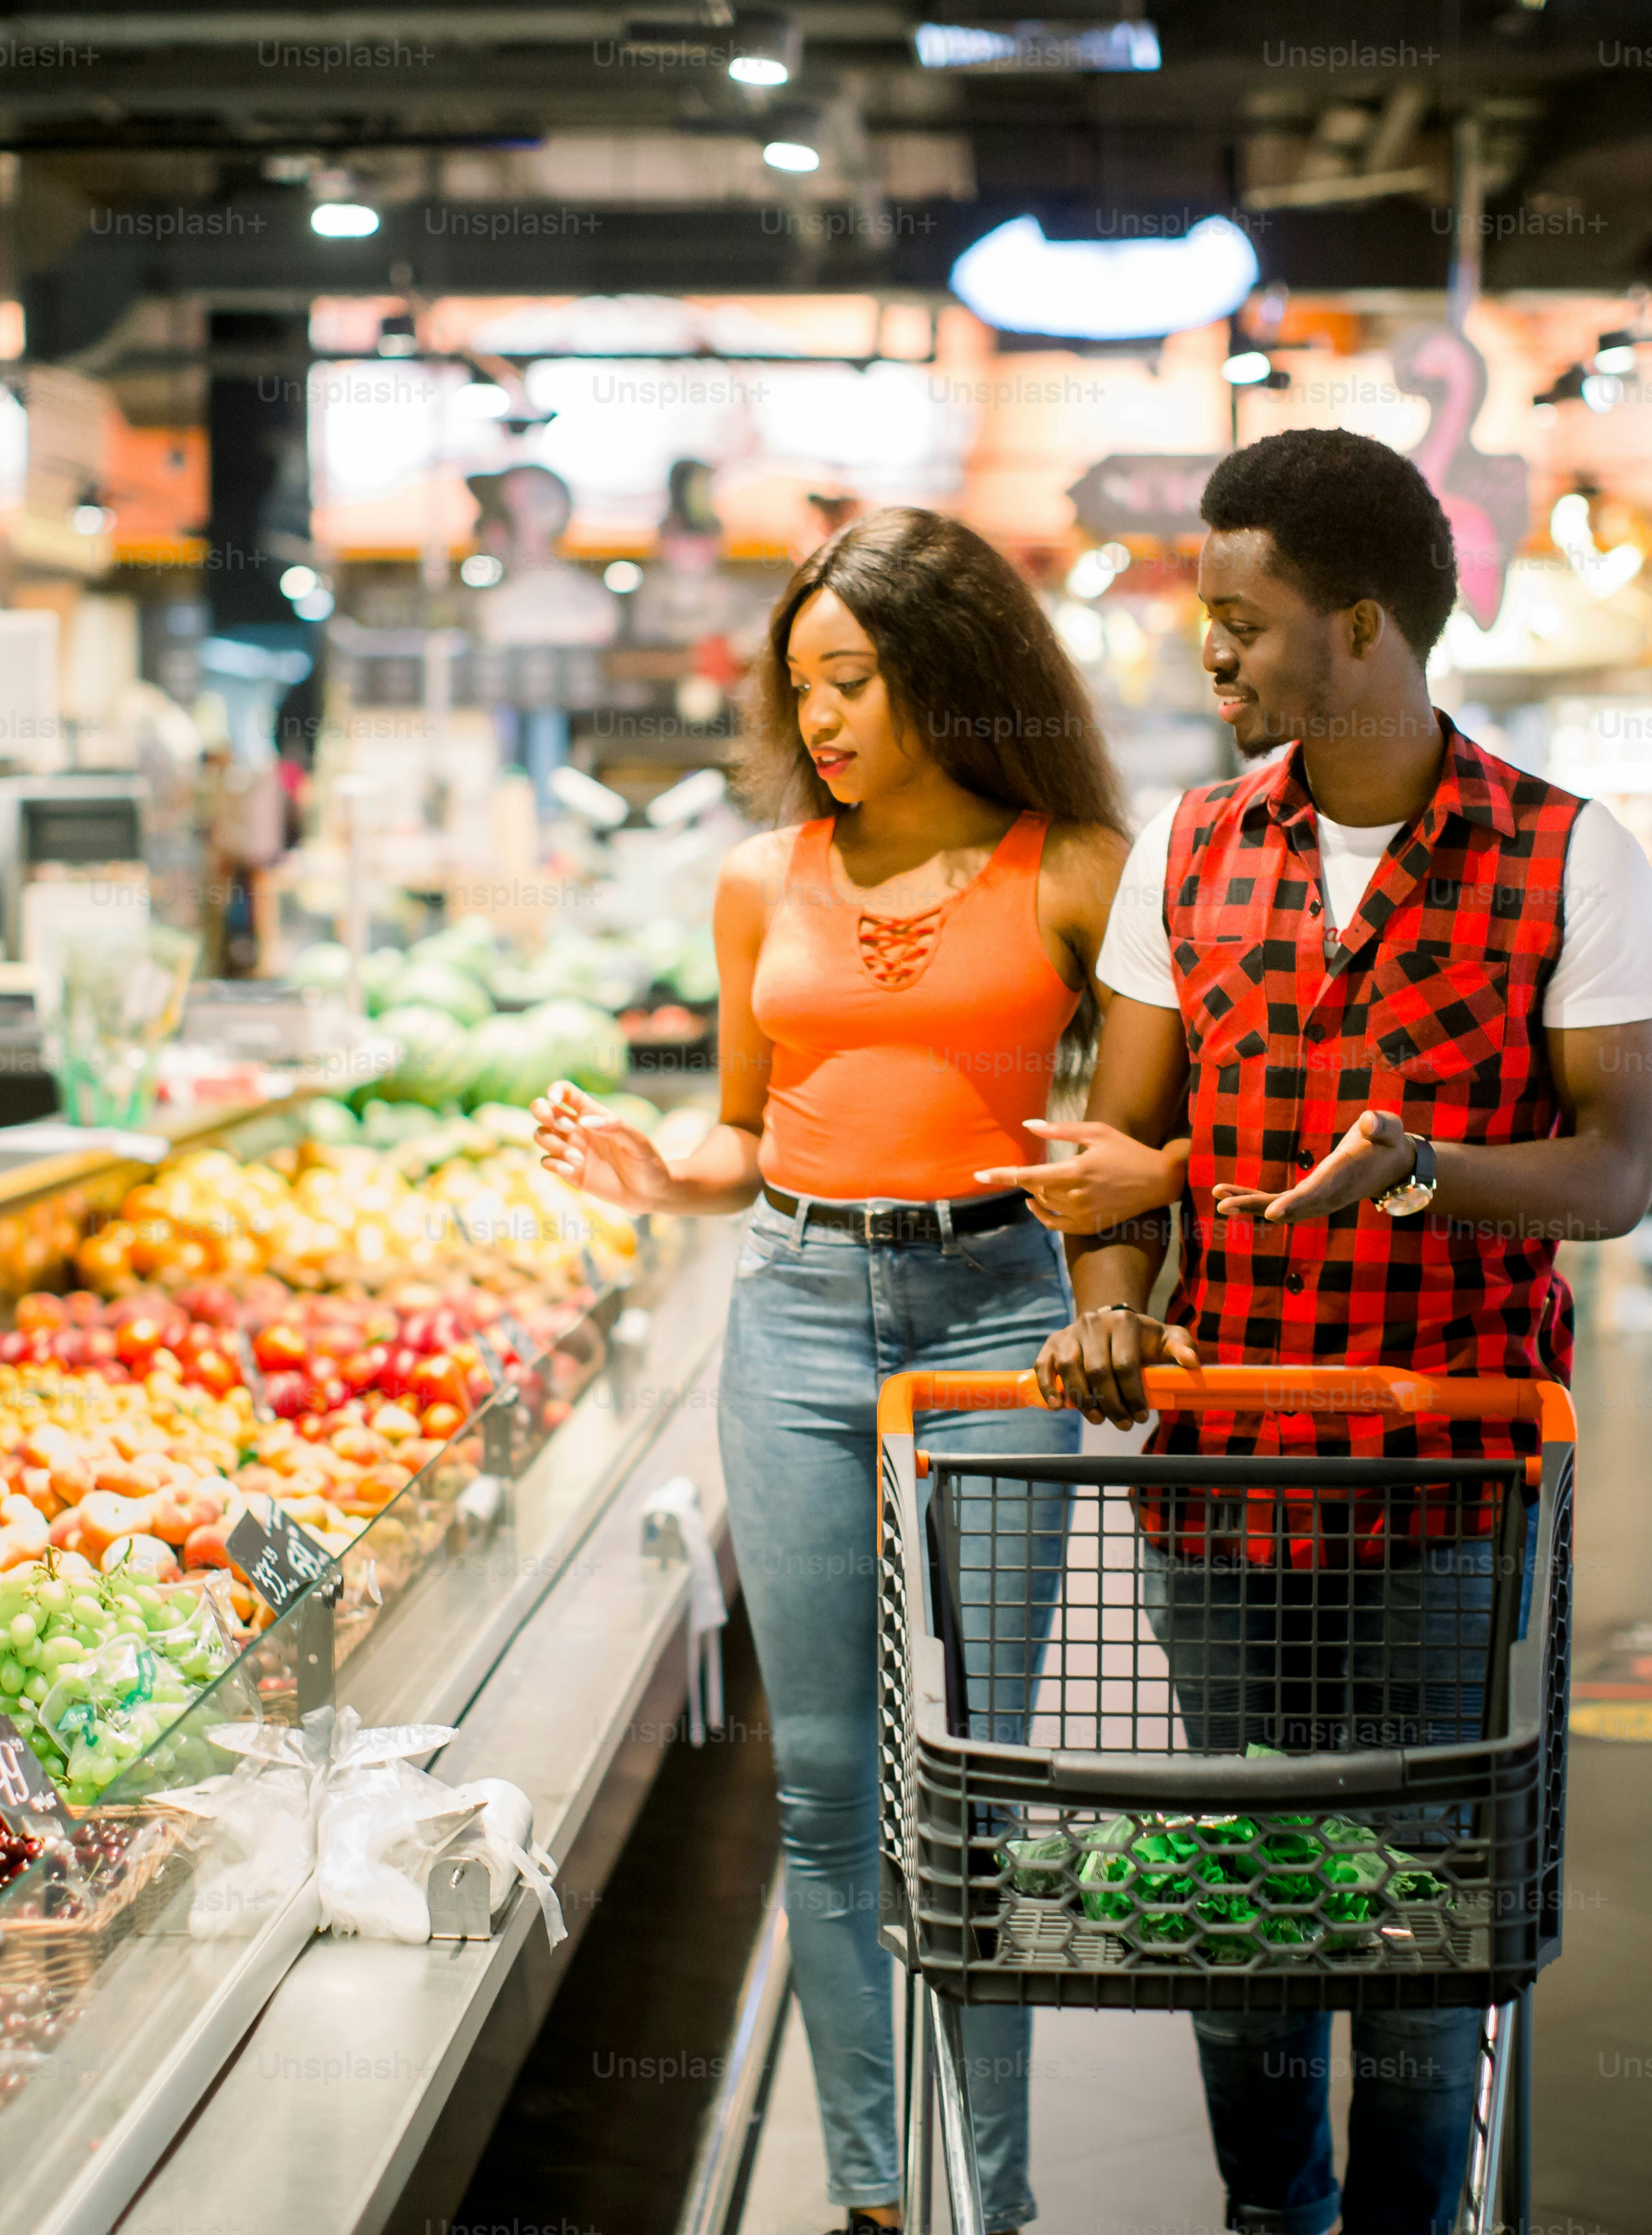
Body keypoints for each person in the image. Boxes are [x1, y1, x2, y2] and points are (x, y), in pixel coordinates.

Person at [1033, 428, 1652, 2235]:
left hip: (1454, 1477)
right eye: (1200, 621)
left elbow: (1610, 1172)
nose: (1207, 658)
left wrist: (1421, 1173)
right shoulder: (1190, 844)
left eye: (1240, 621)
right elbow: (1120, 1166)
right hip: (1220, 1472)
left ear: (1363, 625)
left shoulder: (1564, 856)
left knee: (1419, 1909)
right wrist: (1105, 1316)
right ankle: (1267, 2215)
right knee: (1242, 1898)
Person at [533, 505, 1172, 2235]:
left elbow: (1132, 1144)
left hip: (993, 1322)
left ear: (949, 675)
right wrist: (657, 1168)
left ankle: (998, 2194)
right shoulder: (761, 879)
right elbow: (745, 1132)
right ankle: (880, 2199)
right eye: (800, 684)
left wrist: (1102, 1248)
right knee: (822, 1788)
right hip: (799, 1310)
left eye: (855, 680)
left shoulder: (1078, 867)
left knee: (979, 1778)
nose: (817, 719)